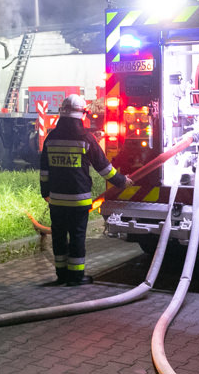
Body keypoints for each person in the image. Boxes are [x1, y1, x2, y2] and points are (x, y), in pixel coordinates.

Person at [39, 94, 131, 286]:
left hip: (56, 200)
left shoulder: (51, 138)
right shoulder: (86, 138)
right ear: (82, 114)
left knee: (58, 237)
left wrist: (45, 192)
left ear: (63, 112)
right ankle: (76, 277)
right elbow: (104, 168)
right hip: (78, 200)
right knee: (77, 238)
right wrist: (122, 181)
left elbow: (44, 171)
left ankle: (62, 275)